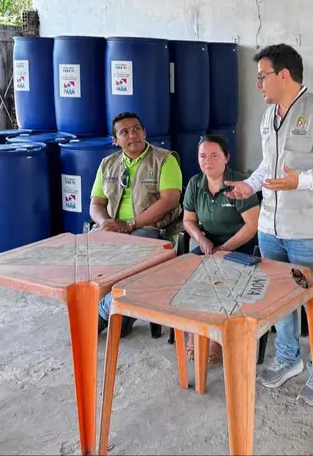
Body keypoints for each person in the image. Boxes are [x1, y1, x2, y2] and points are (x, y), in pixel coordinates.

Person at [225, 43, 313, 406]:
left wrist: (302, 181)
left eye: (262, 76)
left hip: (309, 226)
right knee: (277, 295)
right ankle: (287, 357)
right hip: (271, 224)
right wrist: (250, 185)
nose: (258, 84)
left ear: (283, 75)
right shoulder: (270, 116)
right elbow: (269, 164)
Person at [92, 111, 184, 337]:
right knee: (86, 253)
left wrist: (130, 224)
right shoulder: (108, 164)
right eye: (124, 132)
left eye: (136, 129)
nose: (132, 135)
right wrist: (105, 223)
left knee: (129, 252)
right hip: (116, 229)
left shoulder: (164, 159)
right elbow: (96, 203)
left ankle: (102, 315)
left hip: (152, 229)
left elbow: (170, 200)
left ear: (144, 132)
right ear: (115, 140)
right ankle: (119, 315)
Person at [181, 134, 260, 365]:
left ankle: (216, 337)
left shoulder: (238, 183)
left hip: (241, 246)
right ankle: (196, 331)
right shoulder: (195, 183)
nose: (208, 161)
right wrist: (201, 239)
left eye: (214, 155)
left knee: (221, 280)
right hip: (210, 246)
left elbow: (252, 226)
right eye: (203, 156)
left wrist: (225, 248)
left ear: (227, 158)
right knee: (188, 275)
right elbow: (188, 220)